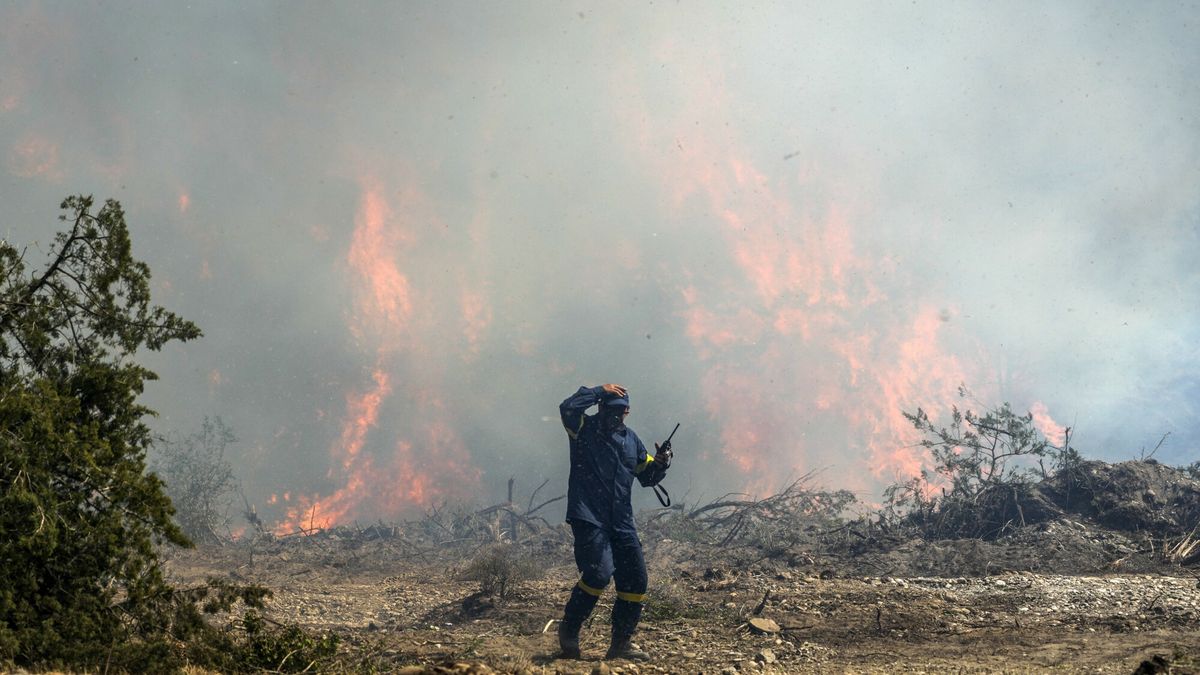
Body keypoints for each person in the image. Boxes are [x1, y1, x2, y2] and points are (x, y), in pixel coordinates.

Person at [556, 383, 671, 661]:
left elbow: (647, 476)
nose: (615, 416)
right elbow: (567, 407)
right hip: (589, 516)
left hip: (621, 521)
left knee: (636, 580)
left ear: (627, 412)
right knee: (598, 573)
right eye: (610, 409)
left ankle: (621, 644)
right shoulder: (583, 428)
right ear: (600, 407)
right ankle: (570, 628)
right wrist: (598, 389)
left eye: (621, 411)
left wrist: (662, 463)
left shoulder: (631, 440)